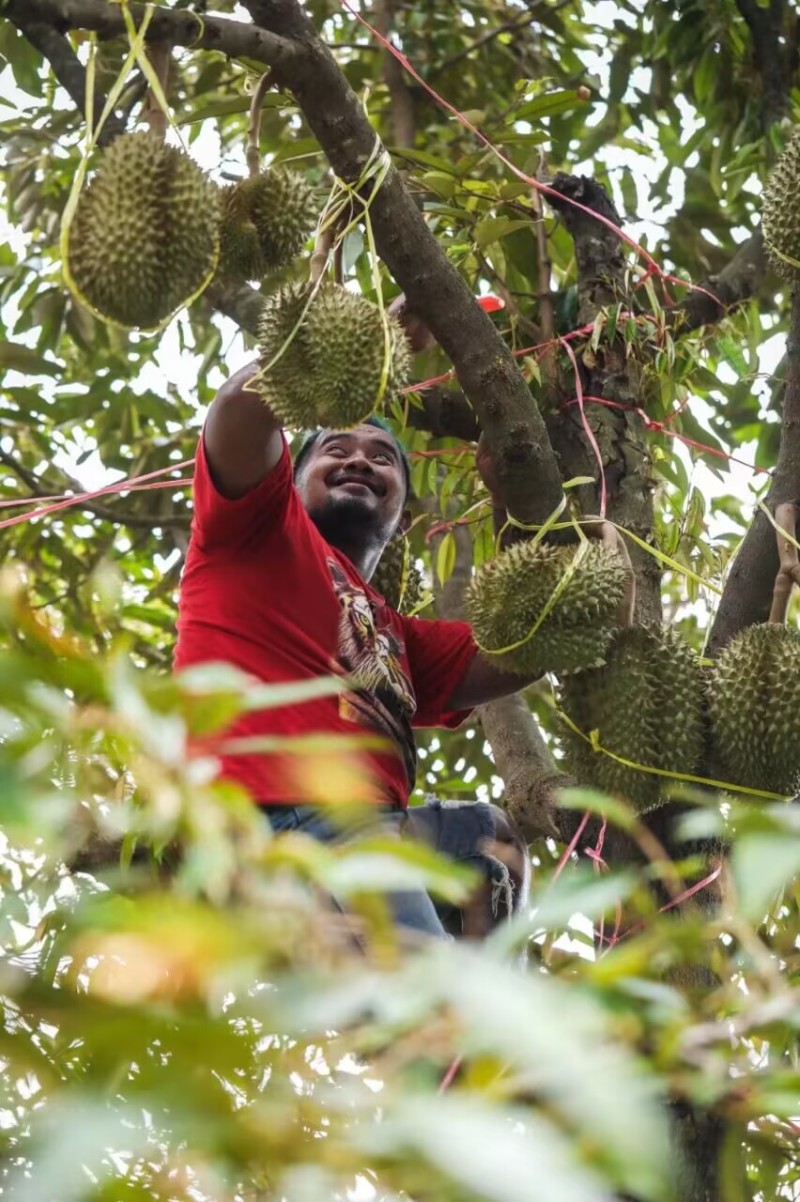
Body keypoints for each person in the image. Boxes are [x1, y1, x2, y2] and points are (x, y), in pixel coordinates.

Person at [174, 311, 536, 940]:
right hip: (266, 816)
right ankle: (443, 1015)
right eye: (336, 451)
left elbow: (527, 644)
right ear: (290, 475)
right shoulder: (257, 529)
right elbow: (239, 409)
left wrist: (517, 502)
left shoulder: (394, 635)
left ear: (401, 508)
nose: (361, 462)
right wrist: (377, 337)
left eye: (382, 459)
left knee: (491, 840)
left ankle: (461, 999)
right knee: (438, 1011)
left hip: (365, 827)